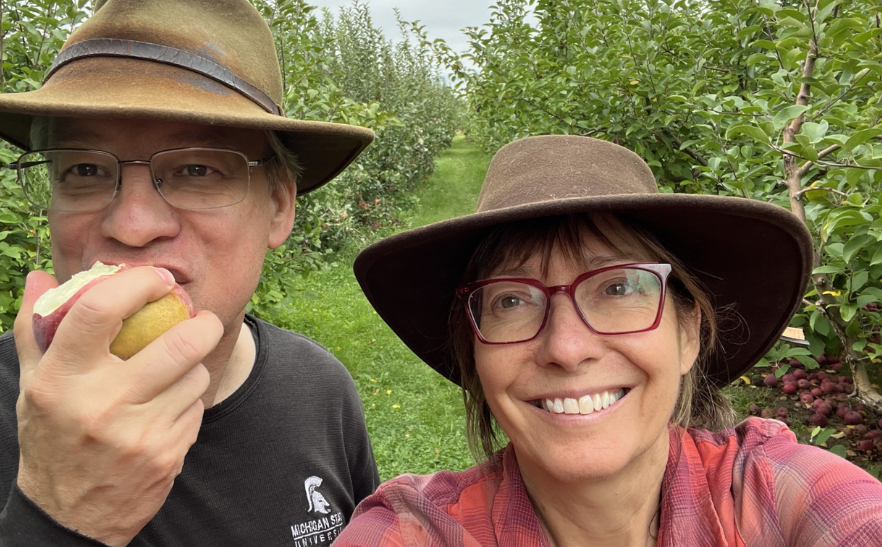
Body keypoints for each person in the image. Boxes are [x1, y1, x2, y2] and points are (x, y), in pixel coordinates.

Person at [0, 0, 378, 547]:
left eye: (197, 169)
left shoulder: (319, 390)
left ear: (278, 206)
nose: (133, 225)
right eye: (85, 169)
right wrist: (58, 519)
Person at [339, 135, 882, 546]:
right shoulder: (420, 530)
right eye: (511, 300)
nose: (568, 348)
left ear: (688, 332)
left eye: (618, 287)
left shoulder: (775, 497)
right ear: (475, 350)